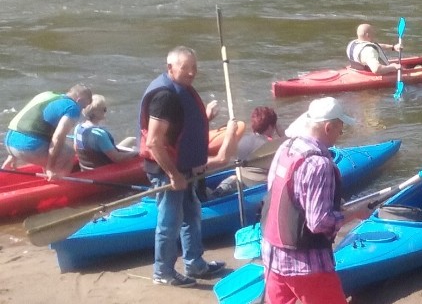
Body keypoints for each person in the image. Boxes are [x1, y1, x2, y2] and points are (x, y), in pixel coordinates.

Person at [139, 46, 237, 288]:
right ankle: (163, 272)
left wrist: (206, 116)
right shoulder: (165, 97)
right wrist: (173, 175)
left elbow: (179, 126)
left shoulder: (180, 90)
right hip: (168, 171)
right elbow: (154, 141)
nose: (192, 73)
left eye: (194, 67)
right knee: (169, 222)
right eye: (186, 68)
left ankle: (195, 263)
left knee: (192, 215)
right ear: (170, 68)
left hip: (185, 169)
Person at [261, 96, 371, 304]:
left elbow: (281, 195)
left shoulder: (286, 148)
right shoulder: (320, 165)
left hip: (272, 253)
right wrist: (355, 212)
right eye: (340, 129)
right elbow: (319, 222)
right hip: (305, 264)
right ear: (328, 127)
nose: (341, 134)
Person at [3, 84, 93, 180]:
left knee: (47, 142)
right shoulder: (73, 107)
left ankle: (9, 164)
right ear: (78, 100)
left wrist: (12, 155)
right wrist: (50, 167)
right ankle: (57, 185)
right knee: (69, 153)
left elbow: (28, 119)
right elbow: (58, 137)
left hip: (9, 142)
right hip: (27, 148)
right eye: (84, 106)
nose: (82, 110)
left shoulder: (47, 94)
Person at [210, 105, 281, 198]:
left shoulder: (242, 140)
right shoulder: (272, 147)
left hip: (243, 177)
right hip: (259, 184)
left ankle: (218, 192)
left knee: (233, 177)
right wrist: (282, 134)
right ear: (271, 126)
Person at [73, 94, 137, 170]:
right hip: (103, 171)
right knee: (138, 154)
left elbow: (76, 148)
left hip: (86, 168)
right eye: (104, 109)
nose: (105, 111)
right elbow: (118, 158)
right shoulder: (99, 135)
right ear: (95, 113)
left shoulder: (78, 128)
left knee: (130, 139)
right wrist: (137, 152)